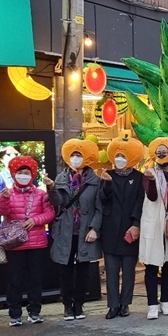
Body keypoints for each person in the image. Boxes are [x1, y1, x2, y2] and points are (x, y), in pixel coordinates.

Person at [46, 138, 103, 322]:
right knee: (66, 269)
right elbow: (57, 202)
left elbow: (99, 207)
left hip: (85, 230)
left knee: (84, 268)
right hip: (65, 229)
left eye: (79, 155)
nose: (76, 158)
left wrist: (94, 228)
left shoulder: (95, 180)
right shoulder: (61, 178)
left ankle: (79, 304)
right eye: (73, 155)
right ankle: (67, 305)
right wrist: (51, 188)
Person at [0, 156, 55, 327]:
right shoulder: (7, 193)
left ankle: (34, 312)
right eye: (20, 172)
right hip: (15, 244)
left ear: (33, 174)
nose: (23, 175)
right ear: (14, 174)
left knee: (35, 279)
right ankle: (15, 314)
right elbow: (1, 212)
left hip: (37, 243)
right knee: (15, 280)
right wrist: (4, 199)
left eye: (27, 172)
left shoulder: (41, 194)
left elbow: (50, 213)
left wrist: (35, 220)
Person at [139, 137, 168, 320]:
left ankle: (165, 301)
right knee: (151, 266)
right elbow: (151, 197)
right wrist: (151, 181)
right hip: (154, 225)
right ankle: (152, 304)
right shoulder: (149, 173)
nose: (161, 155)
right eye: (158, 152)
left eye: (164, 152)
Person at [99, 135, 145, 319]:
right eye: (117, 156)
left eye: (123, 156)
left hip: (129, 230)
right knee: (111, 270)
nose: (120, 159)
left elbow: (140, 202)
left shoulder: (139, 177)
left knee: (128, 270)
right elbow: (103, 199)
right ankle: (113, 305)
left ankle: (125, 303)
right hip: (110, 229)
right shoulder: (107, 175)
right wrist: (107, 184)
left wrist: (136, 224)